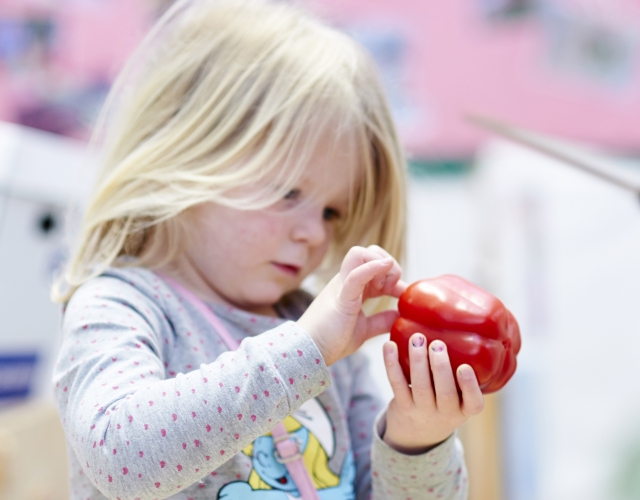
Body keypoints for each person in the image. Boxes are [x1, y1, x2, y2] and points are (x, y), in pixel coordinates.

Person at [52, 1, 484, 498]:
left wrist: (416, 440)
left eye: (332, 213)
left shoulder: (319, 330)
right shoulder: (121, 306)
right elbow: (120, 457)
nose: (315, 235)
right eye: (289, 193)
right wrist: (306, 350)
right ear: (191, 153)